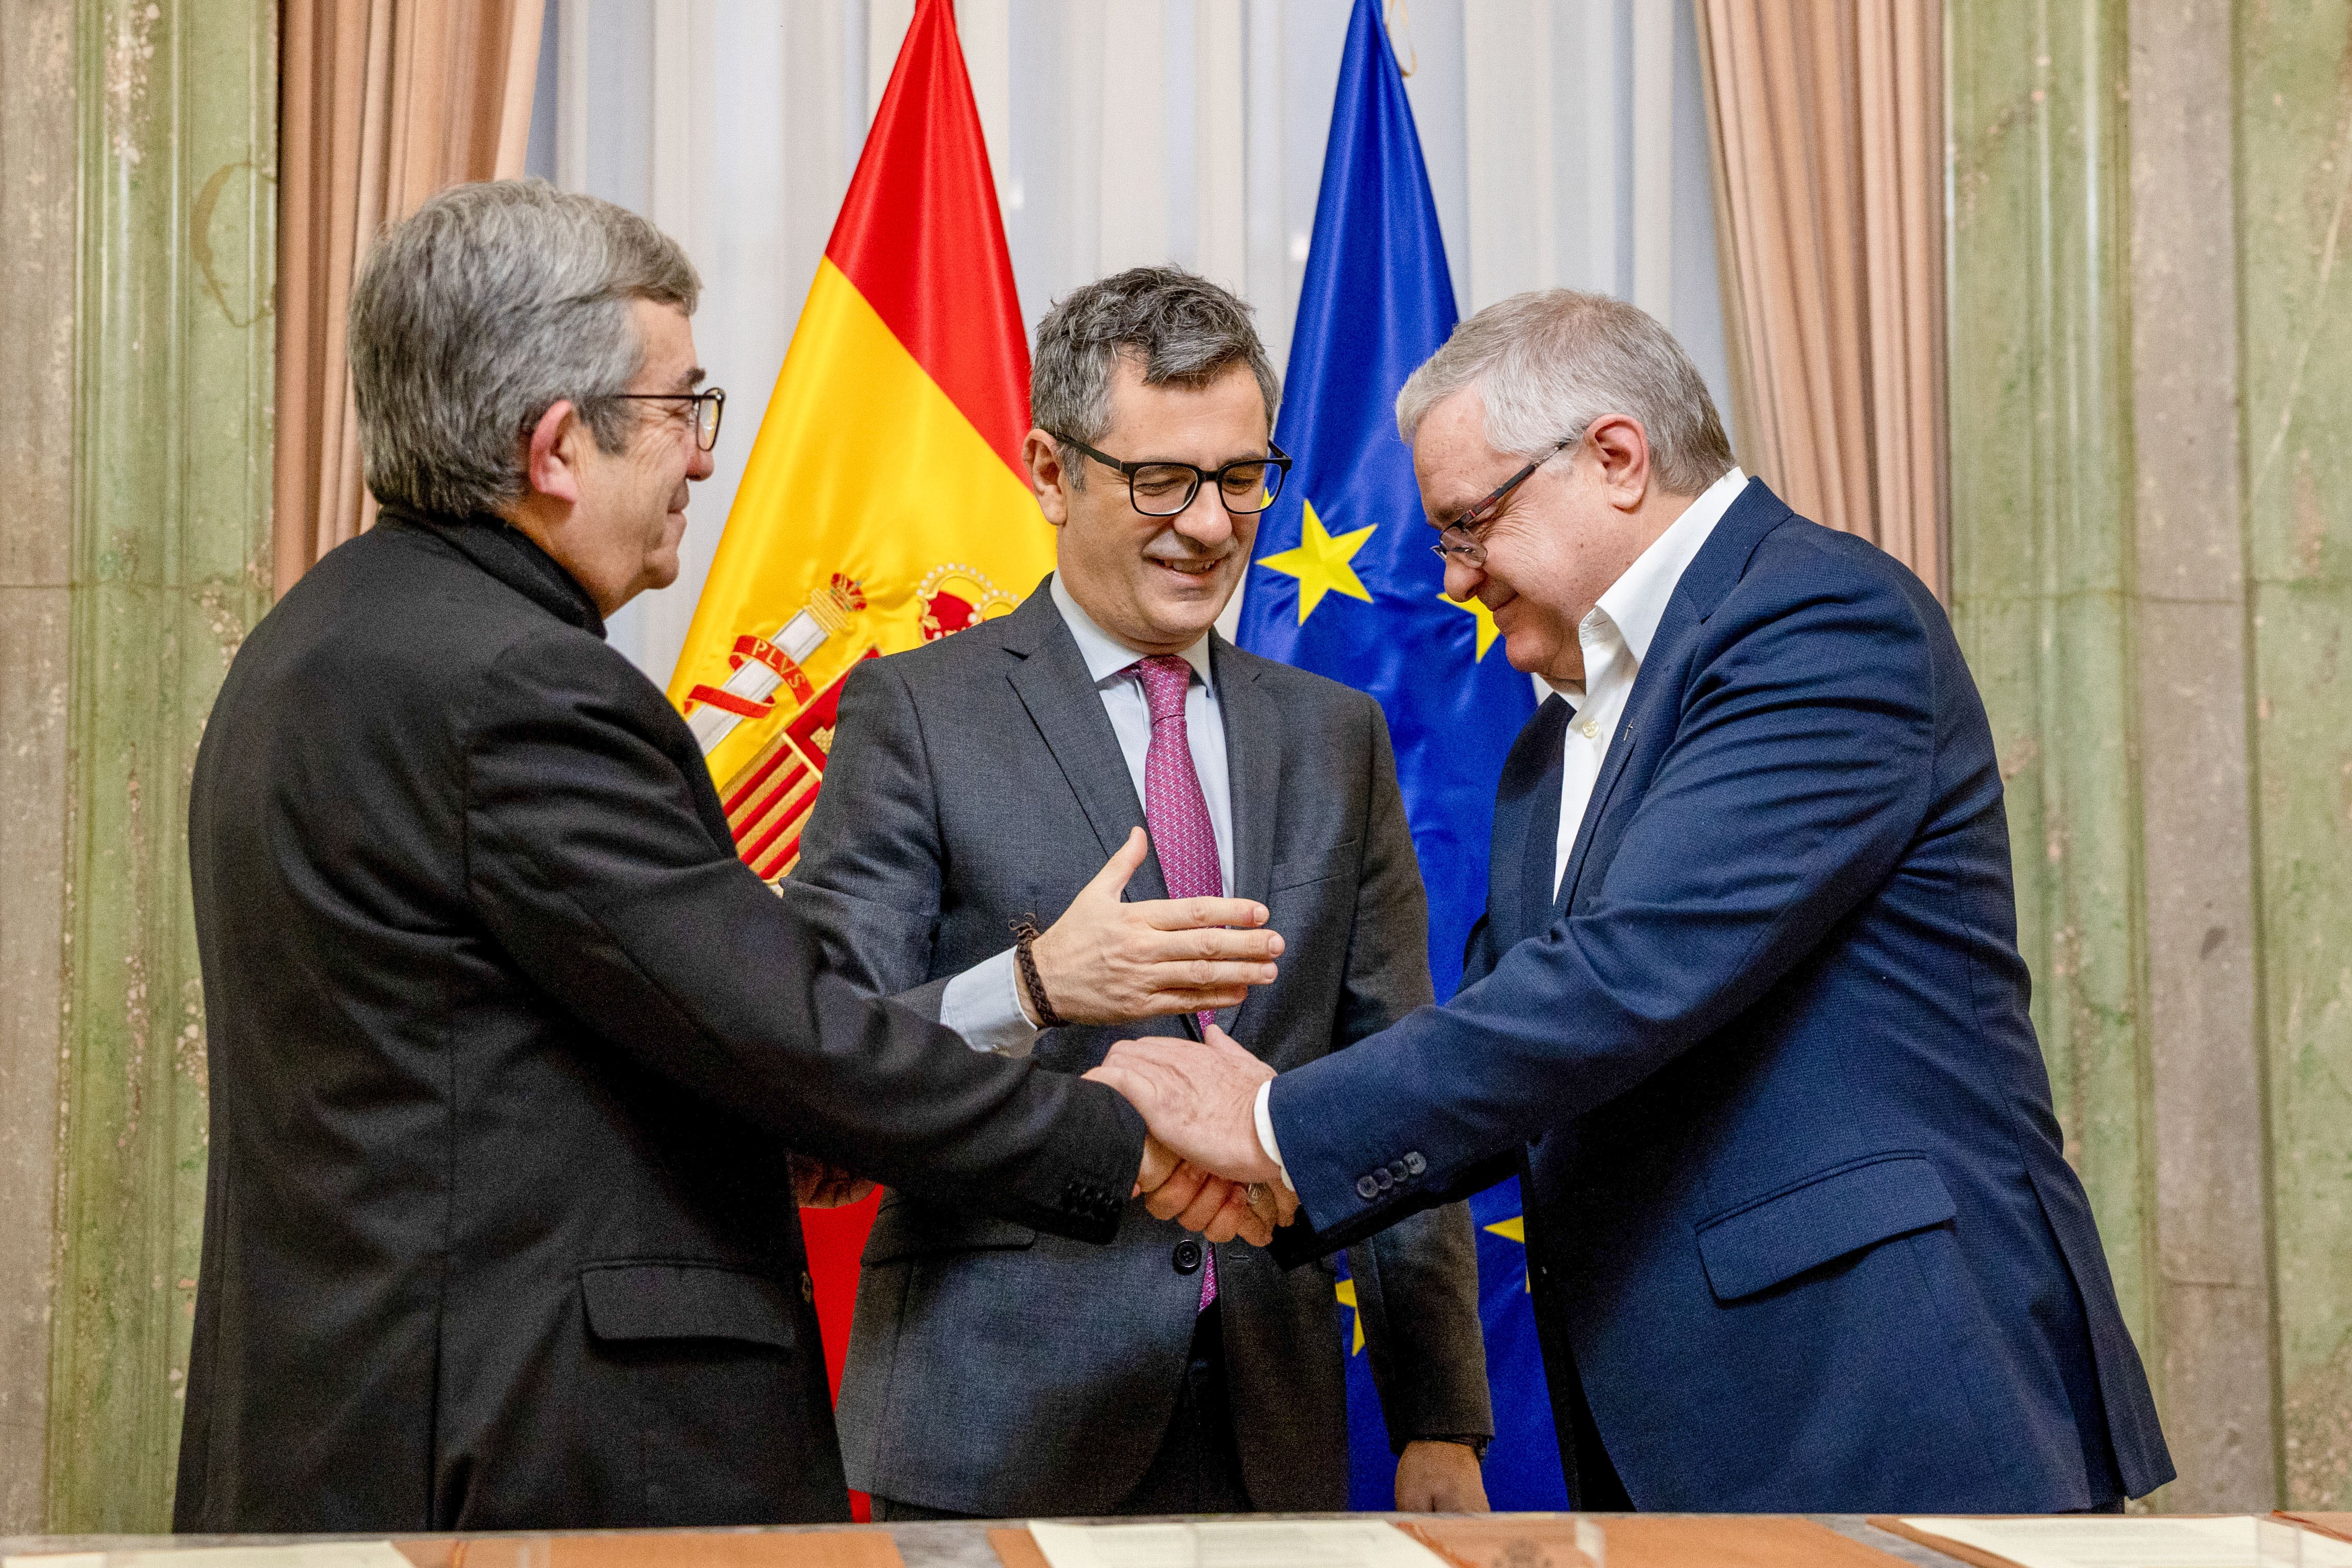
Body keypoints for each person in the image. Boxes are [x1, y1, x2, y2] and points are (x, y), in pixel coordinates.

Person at [174, 183, 1256, 1534]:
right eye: (685, 408)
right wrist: (1124, 1141)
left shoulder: (318, 642)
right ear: (559, 445)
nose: (702, 458)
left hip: (371, 1410)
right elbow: (786, 1036)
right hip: (524, 1449)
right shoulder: (521, 690)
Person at [1092, 288, 2176, 1513]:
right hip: (1675, 1423)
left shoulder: (1815, 620)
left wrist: (1278, 1126)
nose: (1452, 579)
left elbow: (1621, 981)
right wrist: (1282, 1176)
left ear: (1612, 457)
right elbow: (1526, 1066)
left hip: (1880, 1388)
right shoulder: (1544, 752)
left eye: (1466, 525)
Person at [784, 267, 1492, 1518]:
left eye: (1237, 477)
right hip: (989, 1420)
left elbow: (1393, 1083)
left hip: (1268, 1422)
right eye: (1159, 480)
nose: (1211, 526)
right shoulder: (915, 715)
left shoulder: (1336, 737)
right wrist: (1032, 987)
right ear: (1052, 473)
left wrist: (1438, 1418)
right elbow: (823, 1061)